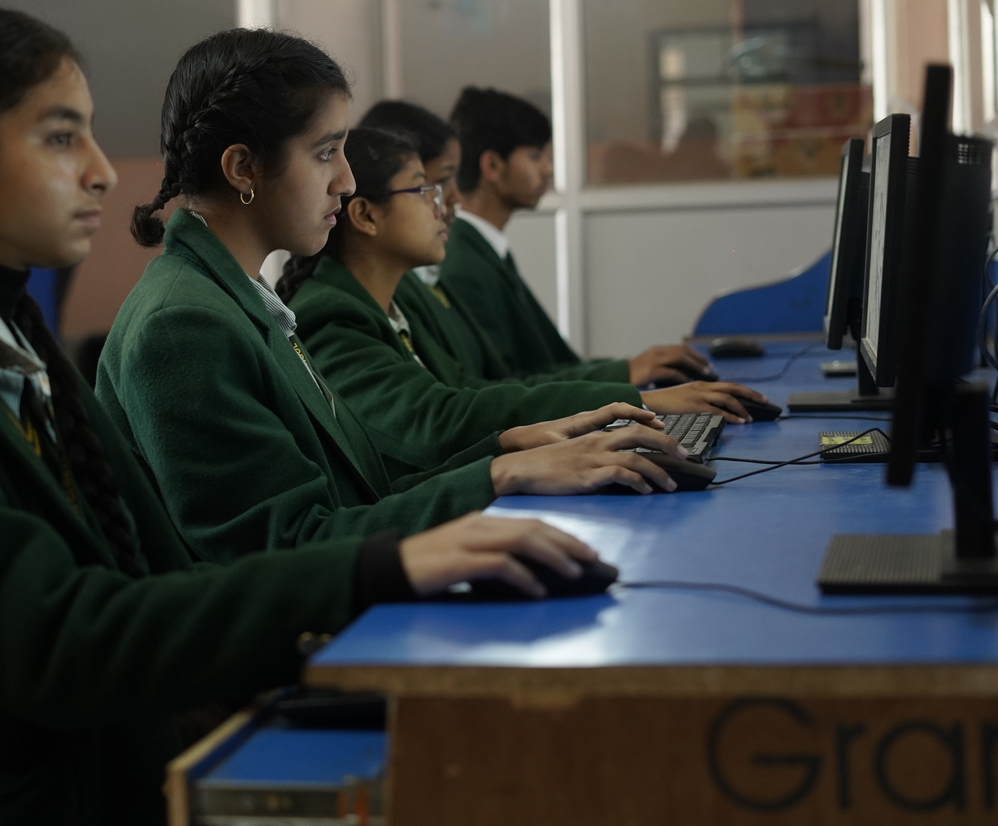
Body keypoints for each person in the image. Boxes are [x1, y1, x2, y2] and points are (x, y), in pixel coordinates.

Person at [0, 5, 614, 826]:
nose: (100, 170)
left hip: (131, 750)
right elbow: (69, 641)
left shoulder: (0, 331)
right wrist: (386, 561)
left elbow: (156, 565)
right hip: (82, 798)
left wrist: (483, 480)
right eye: (61, 138)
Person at [98, 29, 688, 567]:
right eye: (326, 152)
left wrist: (510, 450)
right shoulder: (184, 323)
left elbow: (363, 497)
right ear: (243, 169)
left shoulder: (236, 299)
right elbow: (279, 552)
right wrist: (502, 474)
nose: (347, 180)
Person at [279, 128, 765, 474]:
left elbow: (472, 387)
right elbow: (437, 419)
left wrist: (618, 400)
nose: (444, 204)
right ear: (365, 215)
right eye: (425, 189)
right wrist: (627, 401)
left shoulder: (398, 297)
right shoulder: (333, 313)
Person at [361, 97, 713, 388]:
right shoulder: (456, 266)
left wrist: (626, 374)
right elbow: (478, 392)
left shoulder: (465, 261)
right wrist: (623, 380)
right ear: (493, 165)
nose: (450, 198)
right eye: (535, 156)